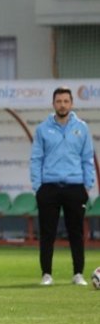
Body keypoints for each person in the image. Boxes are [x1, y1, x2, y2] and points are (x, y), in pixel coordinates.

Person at [29, 86, 96, 288]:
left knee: (76, 233)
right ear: (53, 104)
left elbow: (88, 159)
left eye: (66, 101)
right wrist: (37, 186)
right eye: (59, 101)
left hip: (75, 187)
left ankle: (78, 274)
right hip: (49, 187)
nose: (62, 105)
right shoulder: (42, 129)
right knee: (47, 234)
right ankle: (46, 274)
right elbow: (36, 159)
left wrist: (88, 185)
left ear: (71, 103)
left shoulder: (82, 128)